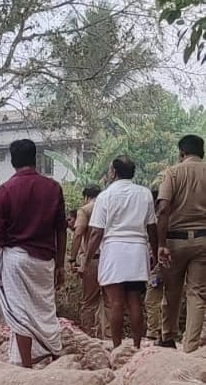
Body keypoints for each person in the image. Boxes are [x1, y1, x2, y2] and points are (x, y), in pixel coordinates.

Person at [0, 138, 66, 367]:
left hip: (16, 258)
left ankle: (25, 364)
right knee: (45, 309)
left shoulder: (5, 190)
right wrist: (60, 264)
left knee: (19, 313)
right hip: (45, 259)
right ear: (35, 158)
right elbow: (61, 230)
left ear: (13, 161)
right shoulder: (53, 188)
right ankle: (54, 355)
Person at [84, 156, 157, 349]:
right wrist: (155, 253)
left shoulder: (105, 196)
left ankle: (116, 348)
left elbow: (96, 233)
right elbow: (152, 227)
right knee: (134, 301)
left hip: (114, 250)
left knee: (115, 302)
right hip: (137, 251)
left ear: (113, 172)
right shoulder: (144, 194)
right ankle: (136, 346)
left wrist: (87, 259)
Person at [157, 134, 206, 351]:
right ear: (201, 152)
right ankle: (191, 346)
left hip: (175, 241)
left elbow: (163, 209)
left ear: (181, 153)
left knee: (172, 291)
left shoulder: (173, 172)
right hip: (204, 239)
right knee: (197, 293)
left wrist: (160, 244)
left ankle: (168, 337)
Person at [69, 184, 107, 338]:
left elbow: (78, 234)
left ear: (86, 196)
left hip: (92, 261)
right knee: (108, 302)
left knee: (89, 302)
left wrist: (72, 259)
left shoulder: (85, 210)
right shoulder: (109, 206)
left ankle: (88, 338)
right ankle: (106, 336)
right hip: (110, 260)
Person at [146, 184, 164, 342]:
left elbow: (154, 242)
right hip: (167, 262)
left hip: (159, 264)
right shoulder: (171, 216)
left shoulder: (157, 219)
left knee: (152, 299)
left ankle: (154, 331)